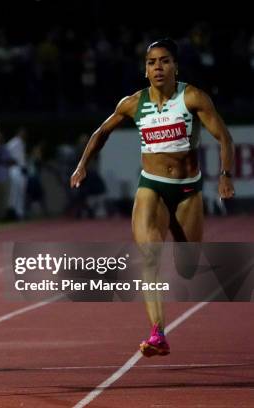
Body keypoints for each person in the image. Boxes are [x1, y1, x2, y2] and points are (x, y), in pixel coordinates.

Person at [70, 38, 234, 357]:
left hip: (187, 190)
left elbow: (224, 136)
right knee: (148, 256)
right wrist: (82, 166)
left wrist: (225, 175)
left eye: (164, 61)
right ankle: (158, 332)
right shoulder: (133, 103)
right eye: (152, 62)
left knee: (188, 266)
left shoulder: (192, 97)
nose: (158, 67)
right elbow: (100, 132)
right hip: (152, 186)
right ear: (145, 70)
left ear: (176, 67)